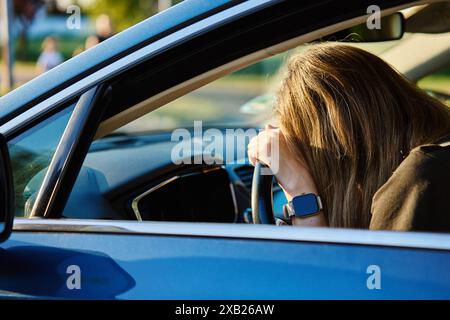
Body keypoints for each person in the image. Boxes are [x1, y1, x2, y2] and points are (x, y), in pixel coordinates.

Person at [248, 43, 450, 232]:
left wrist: (298, 188)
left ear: (339, 147)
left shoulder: (418, 183)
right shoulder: (437, 160)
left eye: (305, 149)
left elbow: (330, 270)